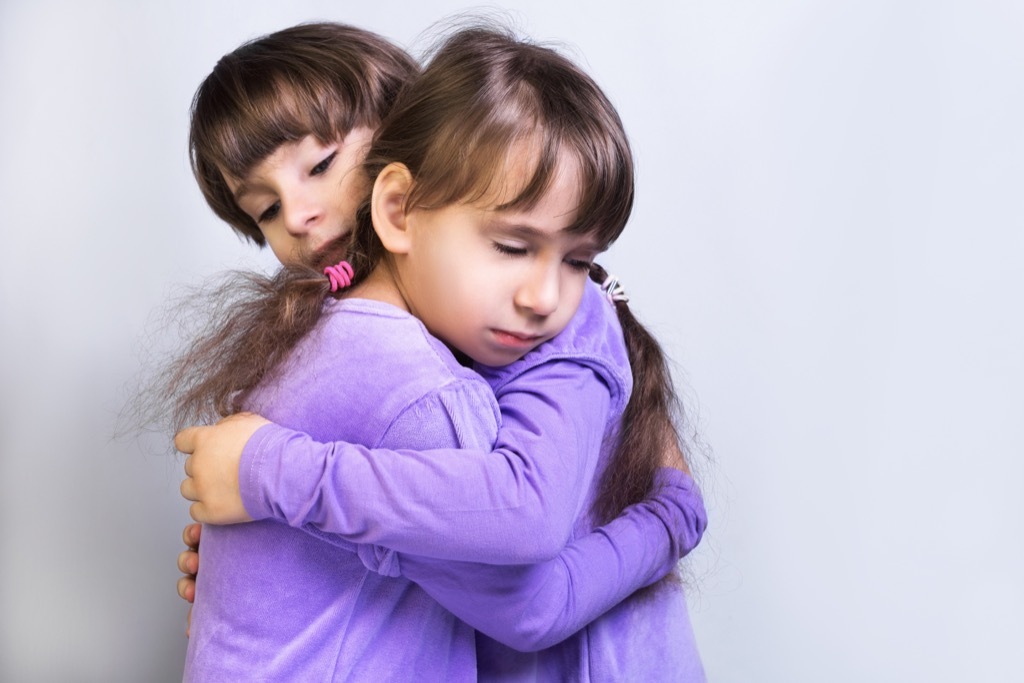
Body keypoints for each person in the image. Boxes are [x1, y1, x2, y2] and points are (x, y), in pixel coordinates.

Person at [172, 23, 706, 681]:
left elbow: (524, 554)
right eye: (266, 210)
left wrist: (271, 476)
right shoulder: (393, 336)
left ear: (407, 141)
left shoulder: (547, 325)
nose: (302, 215)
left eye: (320, 165)